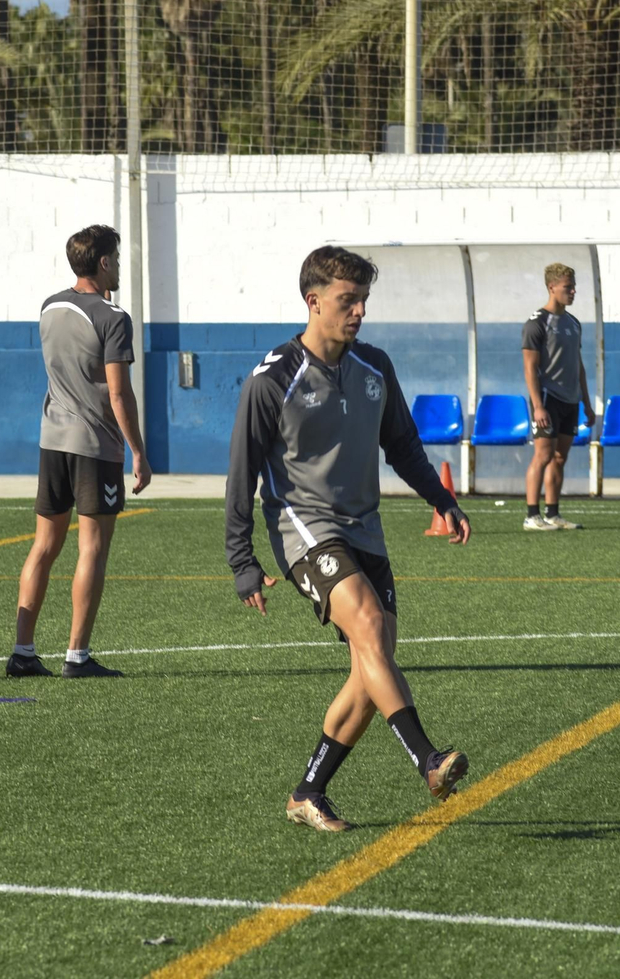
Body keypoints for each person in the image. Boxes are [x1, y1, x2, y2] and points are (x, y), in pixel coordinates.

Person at [226, 246, 473, 833]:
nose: (359, 310)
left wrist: (441, 498)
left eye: (363, 299)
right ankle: (429, 760)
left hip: (366, 526)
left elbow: (404, 447)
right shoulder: (273, 379)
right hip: (302, 526)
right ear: (313, 302)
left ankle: (308, 791)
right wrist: (242, 560)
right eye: (347, 300)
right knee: (365, 624)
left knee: (373, 665)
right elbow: (242, 472)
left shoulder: (374, 367)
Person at [6, 225, 151, 679]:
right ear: (104, 262)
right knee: (92, 550)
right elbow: (119, 394)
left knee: (44, 546)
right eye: (118, 257)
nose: (120, 265)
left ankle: (23, 651)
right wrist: (140, 453)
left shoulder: (50, 307)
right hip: (94, 446)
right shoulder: (113, 318)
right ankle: (77, 656)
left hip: (52, 440)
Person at [521, 263, 593, 532]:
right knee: (542, 455)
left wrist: (586, 402)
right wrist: (538, 406)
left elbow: (579, 364)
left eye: (573, 286)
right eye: (567, 287)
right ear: (552, 287)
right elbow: (529, 367)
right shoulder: (537, 322)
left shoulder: (574, 324)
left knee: (560, 457)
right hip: (547, 400)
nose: (573, 291)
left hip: (570, 400)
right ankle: (531, 515)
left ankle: (553, 513)